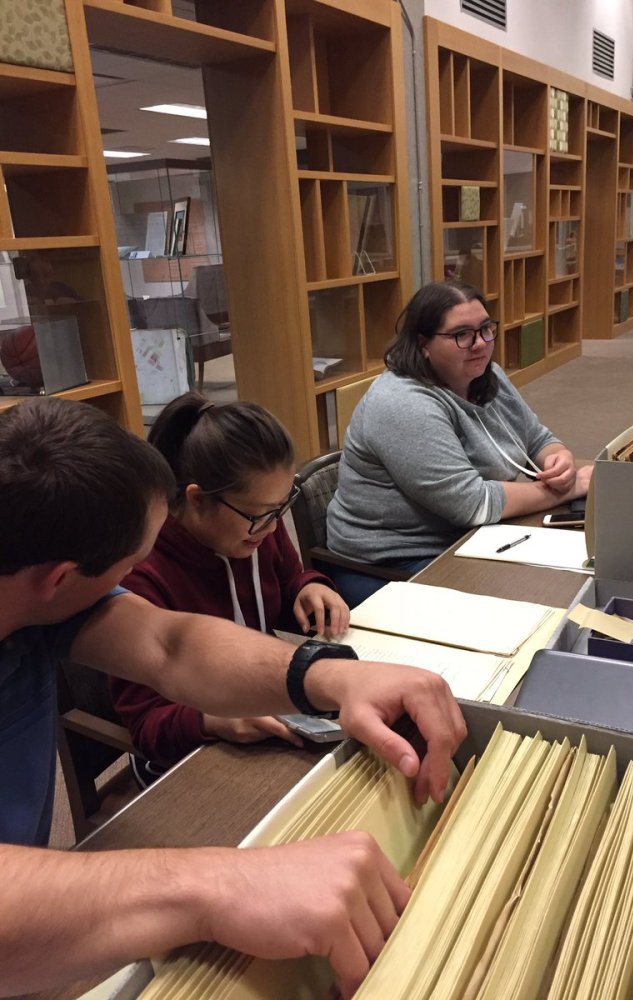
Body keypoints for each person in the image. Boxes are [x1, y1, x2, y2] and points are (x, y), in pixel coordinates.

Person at [0, 396, 466, 999]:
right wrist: (215, 885)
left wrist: (330, 677)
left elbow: (169, 643)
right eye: (126, 570)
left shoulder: (31, 585)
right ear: (60, 579)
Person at [111, 392, 350, 780]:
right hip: (188, 756)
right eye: (260, 515)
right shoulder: (142, 575)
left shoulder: (252, 529)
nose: (274, 528)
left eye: (281, 509)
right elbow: (146, 724)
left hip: (266, 709)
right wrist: (213, 721)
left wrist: (310, 585)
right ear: (198, 500)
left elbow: (289, 579)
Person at [326, 280, 592, 605]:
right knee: (543, 601)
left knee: (582, 571)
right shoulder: (404, 403)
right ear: (423, 343)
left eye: (485, 329)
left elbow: (537, 438)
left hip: (468, 538)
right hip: (395, 562)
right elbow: (471, 503)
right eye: (461, 335)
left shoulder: (486, 376)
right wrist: (569, 487)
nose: (479, 344)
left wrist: (559, 458)